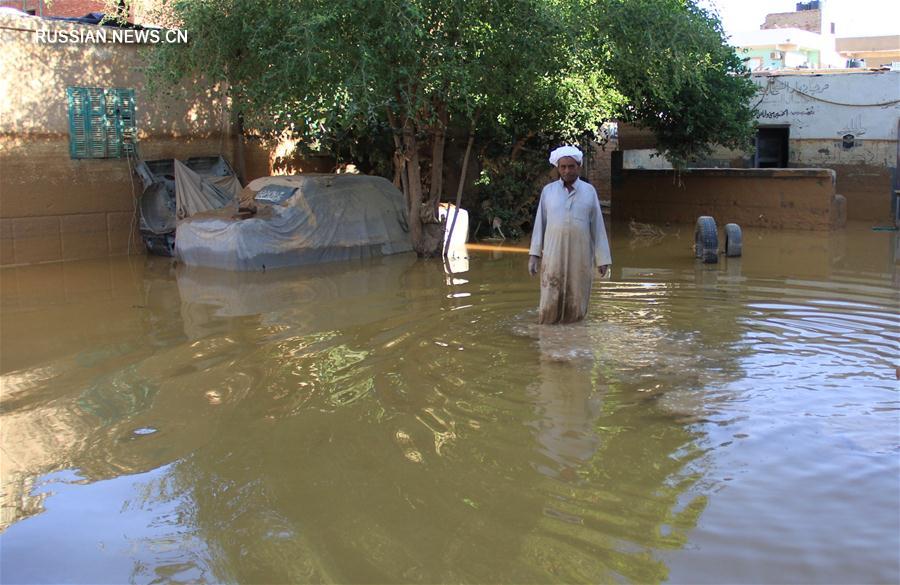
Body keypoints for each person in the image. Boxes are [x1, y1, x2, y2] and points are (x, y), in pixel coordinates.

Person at [528, 145, 611, 324]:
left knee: (577, 298)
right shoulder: (548, 192)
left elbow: (597, 226)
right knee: (550, 299)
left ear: (579, 166)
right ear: (558, 168)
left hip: (580, 256)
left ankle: (575, 337)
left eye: (571, 166)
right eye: (563, 166)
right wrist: (534, 255)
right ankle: (549, 339)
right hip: (552, 255)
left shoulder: (589, 192)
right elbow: (539, 225)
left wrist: (602, 259)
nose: (567, 170)